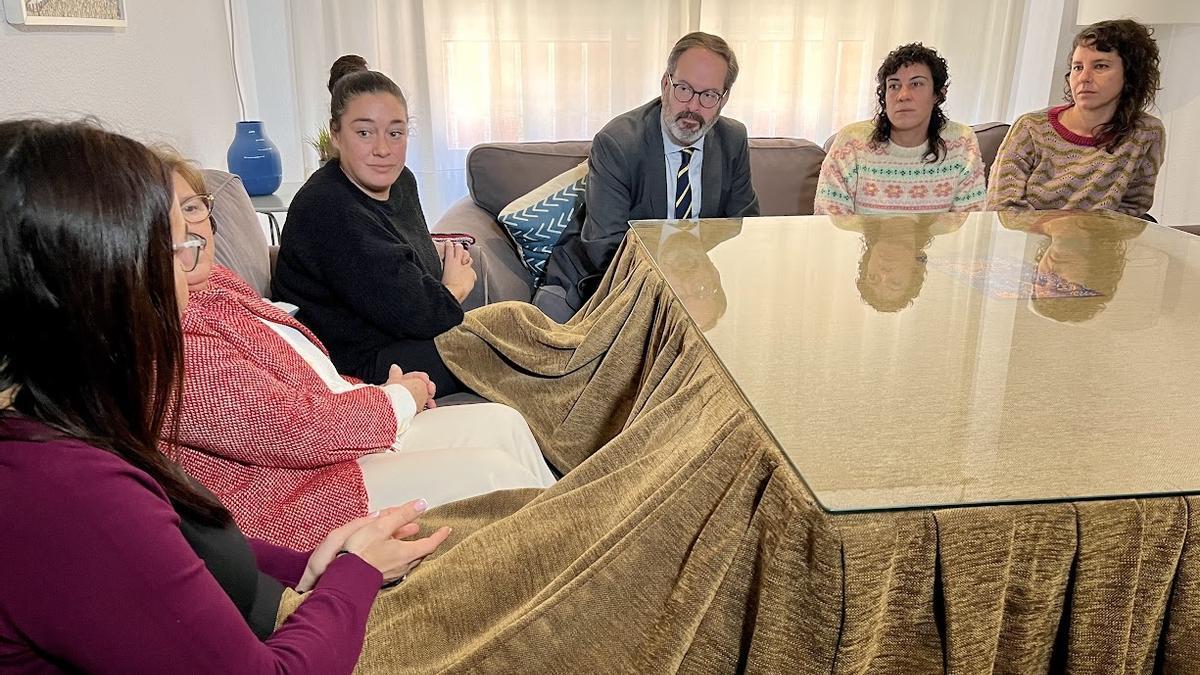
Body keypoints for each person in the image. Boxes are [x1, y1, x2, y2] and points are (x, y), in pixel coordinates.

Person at [0, 118, 452, 672]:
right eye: (166, 246)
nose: (190, 264)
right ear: (97, 279)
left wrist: (313, 567)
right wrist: (354, 573)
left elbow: (192, 548)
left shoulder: (69, 417)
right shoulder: (65, 491)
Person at [159, 150, 556, 550]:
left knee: (505, 422)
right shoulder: (170, 336)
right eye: (170, 217)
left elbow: (313, 377)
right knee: (493, 473)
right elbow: (292, 430)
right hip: (303, 490)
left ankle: (580, 537)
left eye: (193, 207)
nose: (190, 230)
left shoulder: (218, 282)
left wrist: (384, 393)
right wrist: (398, 397)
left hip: (346, 426)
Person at [273, 56, 475, 393]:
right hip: (360, 364)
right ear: (335, 135)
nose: (383, 149)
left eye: (395, 133)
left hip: (402, 338)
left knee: (518, 325)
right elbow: (423, 314)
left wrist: (439, 263)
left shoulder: (402, 182)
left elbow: (400, 266)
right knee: (516, 346)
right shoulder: (329, 207)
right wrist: (455, 287)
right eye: (364, 132)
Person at [536, 31, 760, 322]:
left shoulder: (732, 139)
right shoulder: (618, 142)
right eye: (684, 89)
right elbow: (607, 246)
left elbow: (743, 226)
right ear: (666, 83)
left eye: (708, 95)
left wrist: (702, 289)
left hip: (696, 286)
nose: (692, 107)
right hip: (606, 279)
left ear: (724, 98)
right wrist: (672, 296)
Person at [987, 19, 1165, 216]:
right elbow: (1001, 208)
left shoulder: (1147, 132)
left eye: (1100, 66)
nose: (1084, 78)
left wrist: (1084, 237)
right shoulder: (1031, 127)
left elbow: (1133, 211)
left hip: (1101, 243)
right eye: (1077, 67)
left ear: (1130, 74)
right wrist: (1054, 233)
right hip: (1027, 242)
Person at [814, 43, 986, 215]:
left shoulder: (962, 142)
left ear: (938, 94)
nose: (903, 96)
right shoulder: (851, 142)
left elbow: (970, 226)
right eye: (894, 86)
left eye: (916, 84)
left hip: (941, 243)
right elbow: (829, 223)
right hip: (861, 242)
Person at [832, 214, 966, 312]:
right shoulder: (952, 219)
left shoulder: (843, 216)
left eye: (873, 277)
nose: (884, 273)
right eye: (895, 282)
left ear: (867, 264)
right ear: (915, 270)